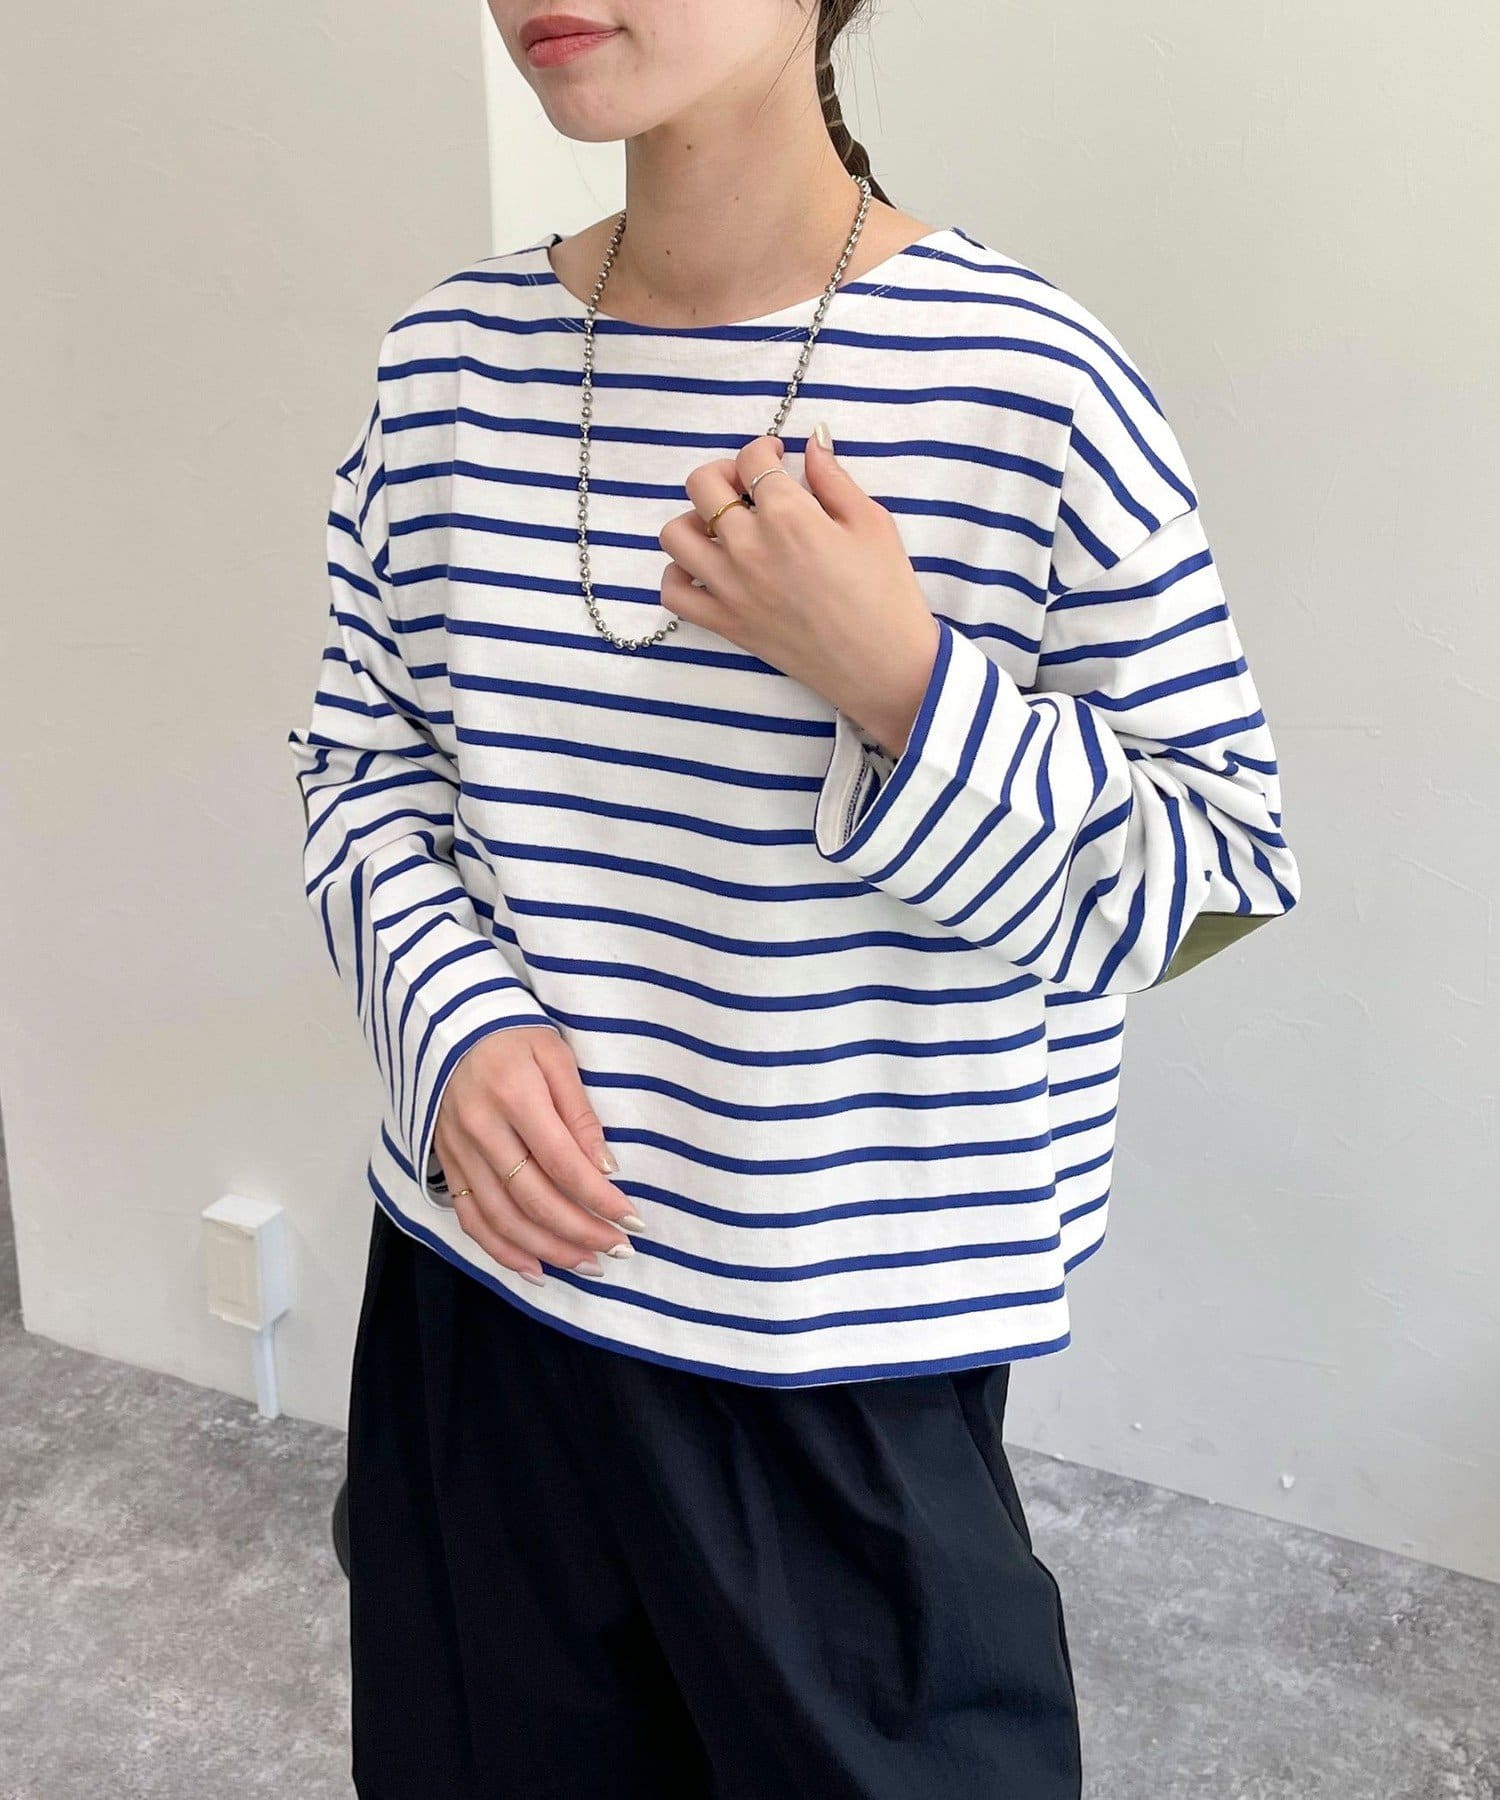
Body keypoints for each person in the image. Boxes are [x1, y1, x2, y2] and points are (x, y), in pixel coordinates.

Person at [286, 3, 1302, 1794]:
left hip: (847, 1359)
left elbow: (1212, 875)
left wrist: (903, 683)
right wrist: (457, 1032)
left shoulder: (1030, 381)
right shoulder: (446, 361)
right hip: (480, 1305)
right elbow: (359, 772)